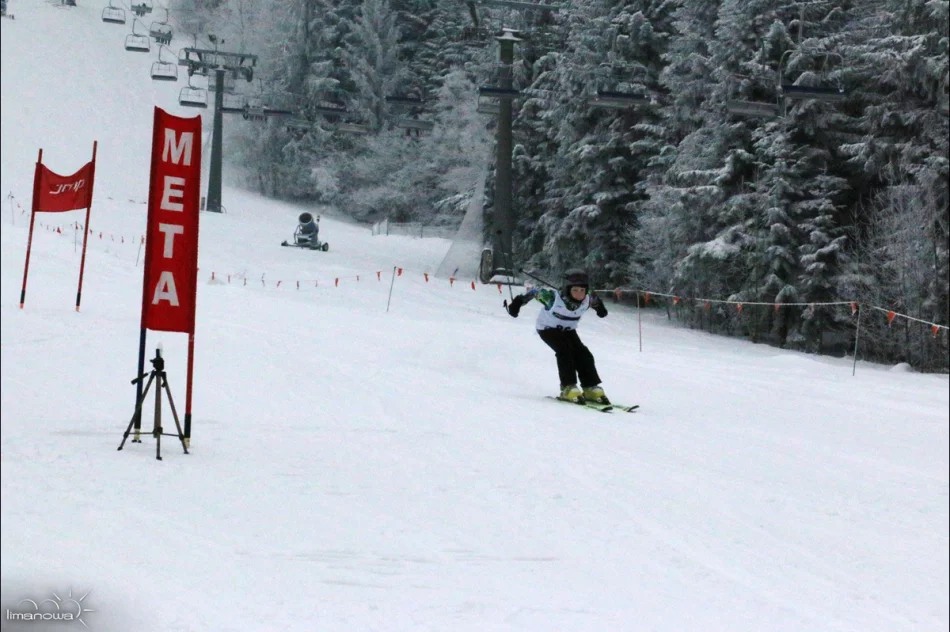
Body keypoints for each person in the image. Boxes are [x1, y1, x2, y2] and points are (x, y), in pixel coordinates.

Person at [505, 269, 609, 403]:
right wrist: (517, 304)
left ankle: (590, 387)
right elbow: (534, 292)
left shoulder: (589, 297)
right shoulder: (552, 298)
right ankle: (568, 387)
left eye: (582, 290)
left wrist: (600, 309)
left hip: (568, 330)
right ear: (567, 289)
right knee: (565, 350)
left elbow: (596, 301)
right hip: (548, 328)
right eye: (575, 290)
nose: (579, 294)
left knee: (583, 353)